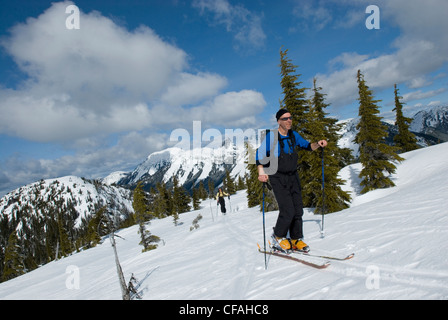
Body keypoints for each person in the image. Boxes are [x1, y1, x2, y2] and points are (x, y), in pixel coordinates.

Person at [256, 109, 327, 252]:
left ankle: (295, 238)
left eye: (290, 117)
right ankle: (278, 236)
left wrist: (318, 144)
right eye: (285, 118)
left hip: (293, 176)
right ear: (278, 121)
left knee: (298, 209)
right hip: (277, 176)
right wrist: (261, 173)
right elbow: (259, 155)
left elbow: (308, 146)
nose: (289, 120)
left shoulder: (294, 135)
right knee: (287, 210)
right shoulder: (272, 137)